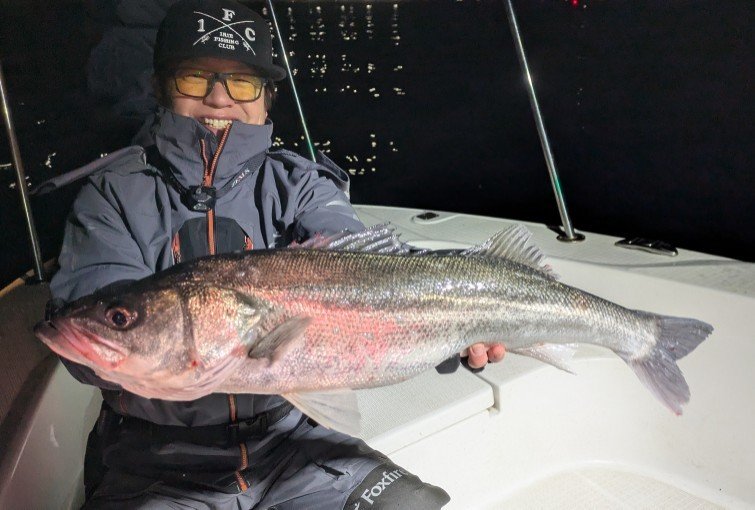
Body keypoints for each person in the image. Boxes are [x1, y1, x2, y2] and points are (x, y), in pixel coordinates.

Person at [50, 1, 505, 508]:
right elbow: (96, 329)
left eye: (242, 83)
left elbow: (365, 272)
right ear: (160, 88)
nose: (219, 97)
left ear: (267, 100)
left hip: (293, 442)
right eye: (195, 78)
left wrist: (458, 319)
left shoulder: (301, 185)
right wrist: (119, 328)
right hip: (155, 460)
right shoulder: (112, 194)